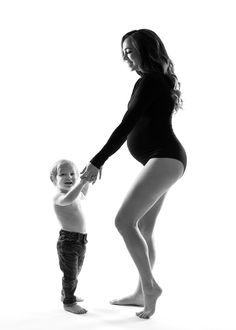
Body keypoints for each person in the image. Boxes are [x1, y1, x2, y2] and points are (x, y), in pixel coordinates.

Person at [80, 29, 187, 319]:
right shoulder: (158, 80)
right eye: (123, 51)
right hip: (166, 159)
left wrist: (97, 161)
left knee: (124, 221)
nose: (126, 56)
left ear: (147, 49)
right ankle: (142, 291)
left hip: (164, 158)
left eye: (131, 50)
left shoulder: (150, 81)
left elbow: (127, 123)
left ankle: (150, 288)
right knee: (144, 228)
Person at [50, 159, 89, 314]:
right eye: (63, 174)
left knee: (75, 271)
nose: (69, 177)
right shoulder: (59, 197)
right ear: (54, 180)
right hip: (68, 241)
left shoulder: (75, 194)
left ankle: (66, 293)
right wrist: (81, 182)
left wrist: (87, 178)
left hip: (81, 241)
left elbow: (83, 193)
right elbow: (70, 198)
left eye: (73, 174)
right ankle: (69, 303)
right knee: (70, 274)